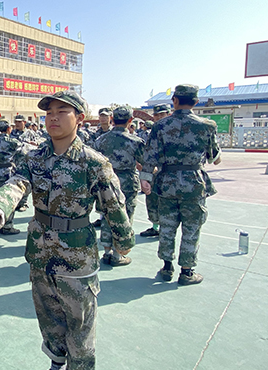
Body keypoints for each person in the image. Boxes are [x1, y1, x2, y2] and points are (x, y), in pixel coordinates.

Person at [0, 90, 134, 370]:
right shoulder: (34, 158)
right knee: (49, 318)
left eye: (63, 111)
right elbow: (15, 186)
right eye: (49, 113)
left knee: (80, 324)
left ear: (80, 118)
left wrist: (123, 240)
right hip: (41, 251)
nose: (54, 118)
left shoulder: (93, 162)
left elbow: (113, 203)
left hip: (77, 256)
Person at [140, 84, 222, 285]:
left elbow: (149, 156)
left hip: (167, 182)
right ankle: (187, 271)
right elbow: (214, 157)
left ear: (174, 101)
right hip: (194, 184)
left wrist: (145, 178)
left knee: (167, 226)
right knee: (192, 228)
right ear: (196, 102)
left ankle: (167, 267)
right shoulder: (207, 125)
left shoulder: (160, 126)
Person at [93, 106, 145, 266]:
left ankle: (106, 251)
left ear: (112, 120)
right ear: (130, 120)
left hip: (106, 182)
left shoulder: (101, 140)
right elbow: (145, 162)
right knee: (125, 216)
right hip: (127, 182)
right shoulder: (135, 141)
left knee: (107, 215)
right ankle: (118, 254)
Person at [140, 104, 172, 238]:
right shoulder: (152, 131)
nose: (158, 117)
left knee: (167, 203)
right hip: (154, 173)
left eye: (162, 114)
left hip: (170, 173)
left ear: (168, 114)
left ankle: (166, 229)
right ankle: (155, 227)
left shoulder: (173, 130)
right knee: (152, 201)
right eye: (156, 115)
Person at [0, 120, 23, 235]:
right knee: (9, 198)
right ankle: (7, 226)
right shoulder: (13, 142)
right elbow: (22, 155)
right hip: (8, 172)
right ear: (8, 129)